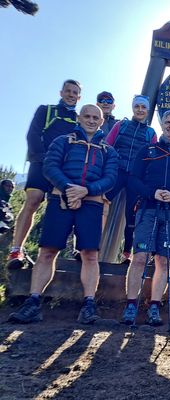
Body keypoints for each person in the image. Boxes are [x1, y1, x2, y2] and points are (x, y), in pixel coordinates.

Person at [8, 104, 118, 324]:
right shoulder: (62, 142)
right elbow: (50, 167)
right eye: (86, 116)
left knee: (90, 255)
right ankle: (33, 301)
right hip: (60, 200)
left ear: (101, 121)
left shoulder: (108, 151)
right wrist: (69, 189)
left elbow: (110, 177)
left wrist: (86, 190)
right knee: (48, 251)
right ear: (79, 118)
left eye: (95, 117)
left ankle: (88, 305)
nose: (90, 119)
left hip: (92, 204)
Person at [120, 110, 170, 326]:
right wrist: (150, 192)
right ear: (162, 125)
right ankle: (131, 305)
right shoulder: (148, 150)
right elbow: (133, 179)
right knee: (140, 257)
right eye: (168, 122)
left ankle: (154, 306)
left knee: (163, 260)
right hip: (148, 207)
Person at [8, 79, 81, 266]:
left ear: (79, 97)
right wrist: (41, 157)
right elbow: (32, 134)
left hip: (64, 169)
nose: (71, 95)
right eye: (68, 91)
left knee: (61, 207)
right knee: (33, 201)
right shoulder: (46, 110)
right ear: (61, 92)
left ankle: (52, 255)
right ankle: (16, 250)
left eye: (75, 93)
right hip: (41, 163)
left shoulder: (79, 119)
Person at [105, 95, 157, 263]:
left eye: (143, 107)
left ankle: (127, 253)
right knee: (100, 203)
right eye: (137, 106)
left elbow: (152, 159)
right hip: (117, 172)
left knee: (132, 215)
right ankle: (91, 245)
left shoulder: (150, 133)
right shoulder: (121, 125)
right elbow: (107, 145)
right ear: (133, 108)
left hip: (136, 176)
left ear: (147, 110)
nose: (140, 110)